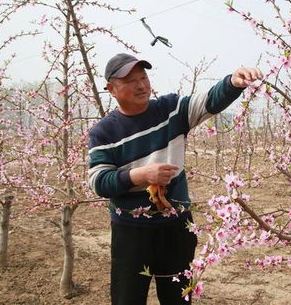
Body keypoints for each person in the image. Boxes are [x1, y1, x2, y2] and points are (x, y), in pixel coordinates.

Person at [88, 53, 262, 305]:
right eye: (130, 80)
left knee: (178, 298)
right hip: (131, 232)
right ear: (111, 89)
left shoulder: (170, 110)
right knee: (128, 298)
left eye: (143, 77)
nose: (141, 85)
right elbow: (99, 181)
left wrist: (232, 83)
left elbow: (208, 101)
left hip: (176, 227)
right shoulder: (105, 131)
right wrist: (141, 175)